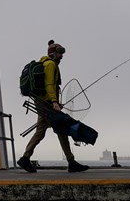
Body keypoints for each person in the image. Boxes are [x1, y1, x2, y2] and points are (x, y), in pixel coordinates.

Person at [17, 40, 90, 174]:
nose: (61, 56)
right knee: (61, 129)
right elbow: (50, 85)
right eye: (59, 53)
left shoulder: (47, 63)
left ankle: (25, 158)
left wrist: (54, 101)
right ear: (52, 54)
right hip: (46, 104)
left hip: (42, 102)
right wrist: (54, 102)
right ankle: (71, 162)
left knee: (42, 131)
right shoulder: (50, 64)